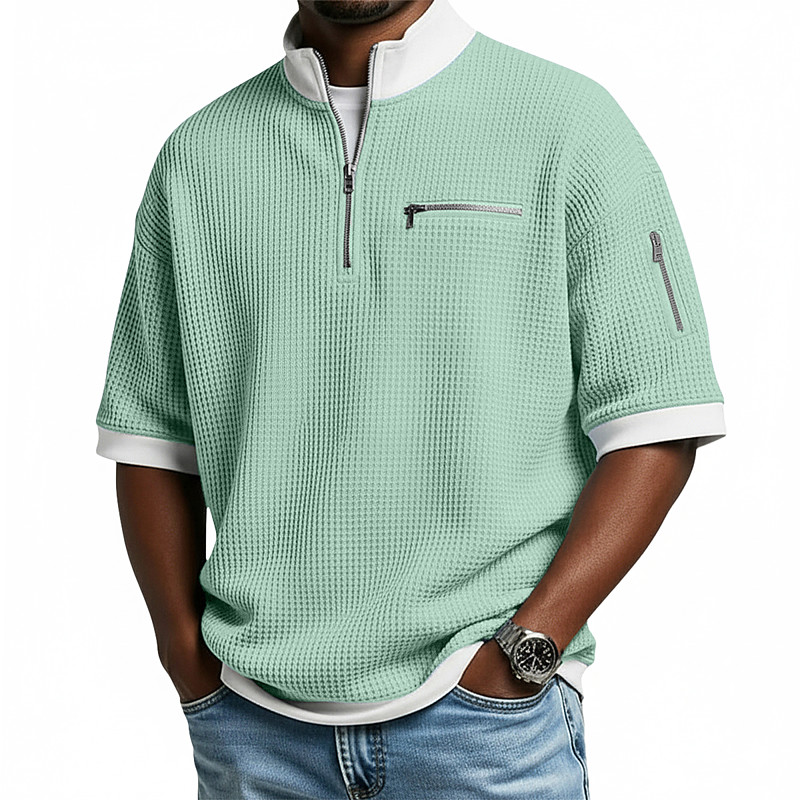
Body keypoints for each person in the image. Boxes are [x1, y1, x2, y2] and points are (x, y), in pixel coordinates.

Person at [94, 1, 727, 797]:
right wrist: (187, 661)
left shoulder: (569, 124)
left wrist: (528, 650)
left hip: (484, 727)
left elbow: (659, 419)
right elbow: (151, 436)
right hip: (253, 730)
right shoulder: (200, 155)